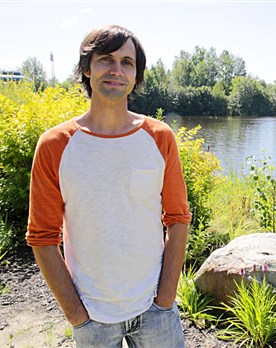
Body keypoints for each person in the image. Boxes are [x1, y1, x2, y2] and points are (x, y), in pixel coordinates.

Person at [26, 25, 191, 347]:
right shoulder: (55, 145)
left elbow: (178, 217)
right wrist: (77, 315)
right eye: (106, 59)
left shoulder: (159, 138)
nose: (117, 70)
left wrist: (165, 299)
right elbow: (42, 237)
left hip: (155, 311)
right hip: (93, 317)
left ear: (136, 76)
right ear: (87, 69)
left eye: (127, 62)